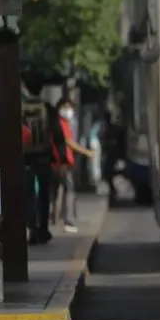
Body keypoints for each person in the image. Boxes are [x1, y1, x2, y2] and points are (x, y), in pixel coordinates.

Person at [21, 80, 63, 245]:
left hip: (25, 158)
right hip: (44, 157)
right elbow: (58, 135)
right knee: (44, 195)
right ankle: (43, 229)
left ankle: (31, 229)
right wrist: (60, 159)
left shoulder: (20, 107)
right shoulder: (48, 108)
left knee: (28, 195)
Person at [50, 97, 95, 234]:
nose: (69, 110)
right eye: (66, 107)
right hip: (62, 163)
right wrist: (86, 152)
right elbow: (69, 142)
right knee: (69, 191)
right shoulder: (61, 123)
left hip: (55, 162)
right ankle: (68, 221)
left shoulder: (57, 122)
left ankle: (53, 218)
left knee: (55, 191)